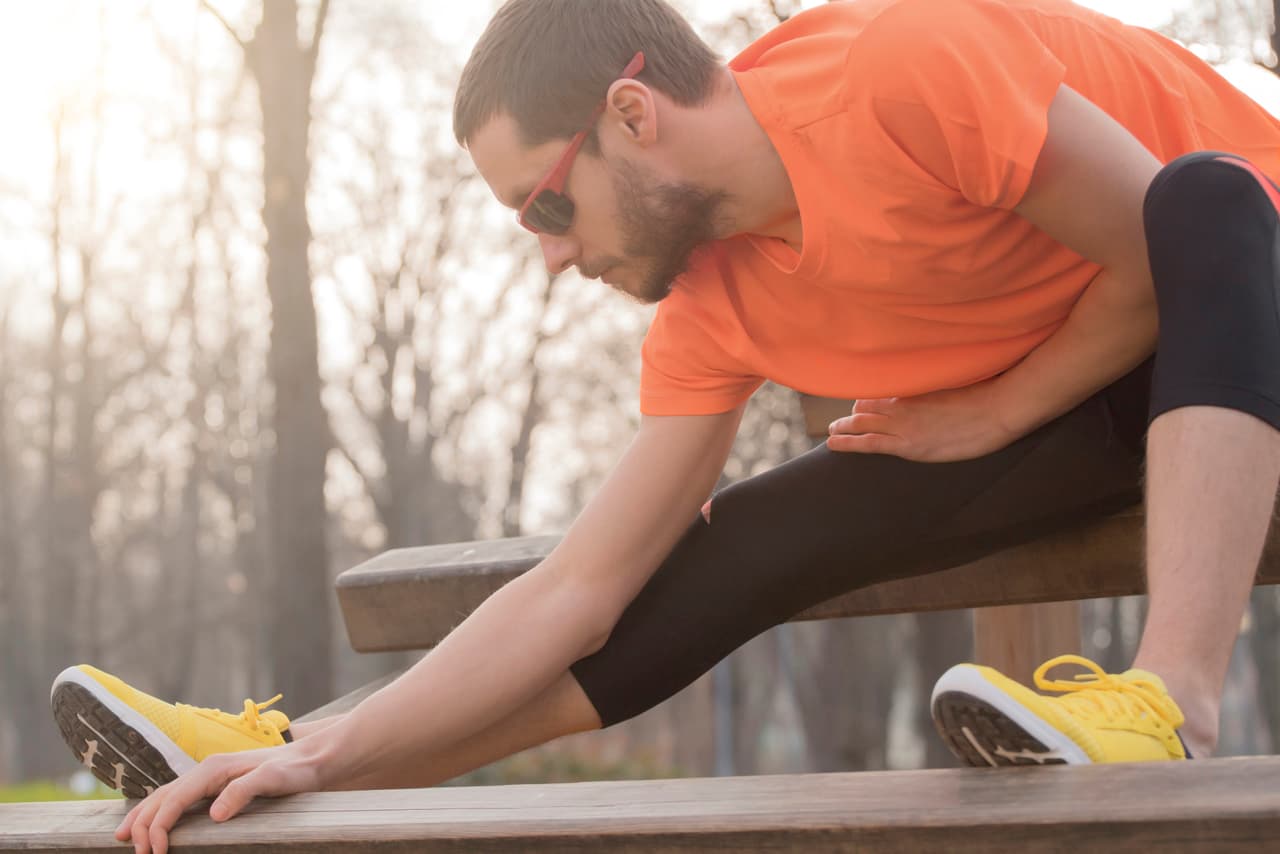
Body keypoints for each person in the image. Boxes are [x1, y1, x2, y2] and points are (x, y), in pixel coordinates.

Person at [50, 0, 1280, 850]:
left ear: (631, 116)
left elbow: (1187, 245)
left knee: (1207, 193)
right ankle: (291, 743)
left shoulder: (896, 66)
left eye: (544, 203)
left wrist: (999, 408)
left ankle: (1166, 704)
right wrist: (325, 760)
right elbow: (580, 584)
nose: (545, 254)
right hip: (1109, 394)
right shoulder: (709, 302)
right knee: (746, 537)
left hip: (1242, 301)